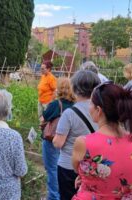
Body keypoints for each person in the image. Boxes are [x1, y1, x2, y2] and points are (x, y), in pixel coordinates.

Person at [71, 82, 132, 199]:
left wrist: (86, 179)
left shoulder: (84, 143)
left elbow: (78, 169)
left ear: (98, 110)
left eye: (90, 102)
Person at [53, 70, 100, 200]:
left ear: (74, 88)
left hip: (69, 166)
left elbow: (58, 143)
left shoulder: (70, 113)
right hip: (93, 165)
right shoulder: (100, 110)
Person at [40, 77, 75, 200]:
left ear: (59, 89)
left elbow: (43, 119)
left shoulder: (55, 104)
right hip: (69, 142)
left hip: (52, 141)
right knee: (65, 169)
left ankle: (54, 196)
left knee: (52, 170)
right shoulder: (75, 106)